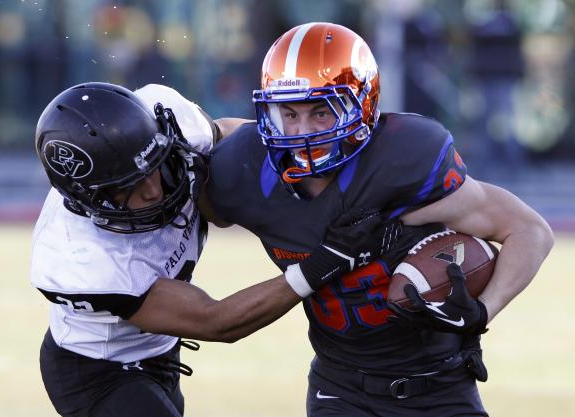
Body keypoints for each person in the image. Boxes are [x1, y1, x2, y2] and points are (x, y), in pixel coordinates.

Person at [206, 22, 554, 416]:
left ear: (362, 105)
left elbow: (530, 230)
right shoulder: (246, 171)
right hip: (341, 388)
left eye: (321, 112)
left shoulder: (403, 162)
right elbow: (221, 159)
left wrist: (483, 311)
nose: (301, 132)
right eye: (289, 113)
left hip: (440, 385)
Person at [30, 82, 403, 417]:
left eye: (154, 167)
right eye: (124, 188)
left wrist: (318, 168)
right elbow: (216, 320)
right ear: (86, 198)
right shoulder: (76, 257)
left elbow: (237, 145)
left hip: (162, 352)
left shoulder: (171, 122)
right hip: (98, 371)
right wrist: (324, 262)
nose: (152, 190)